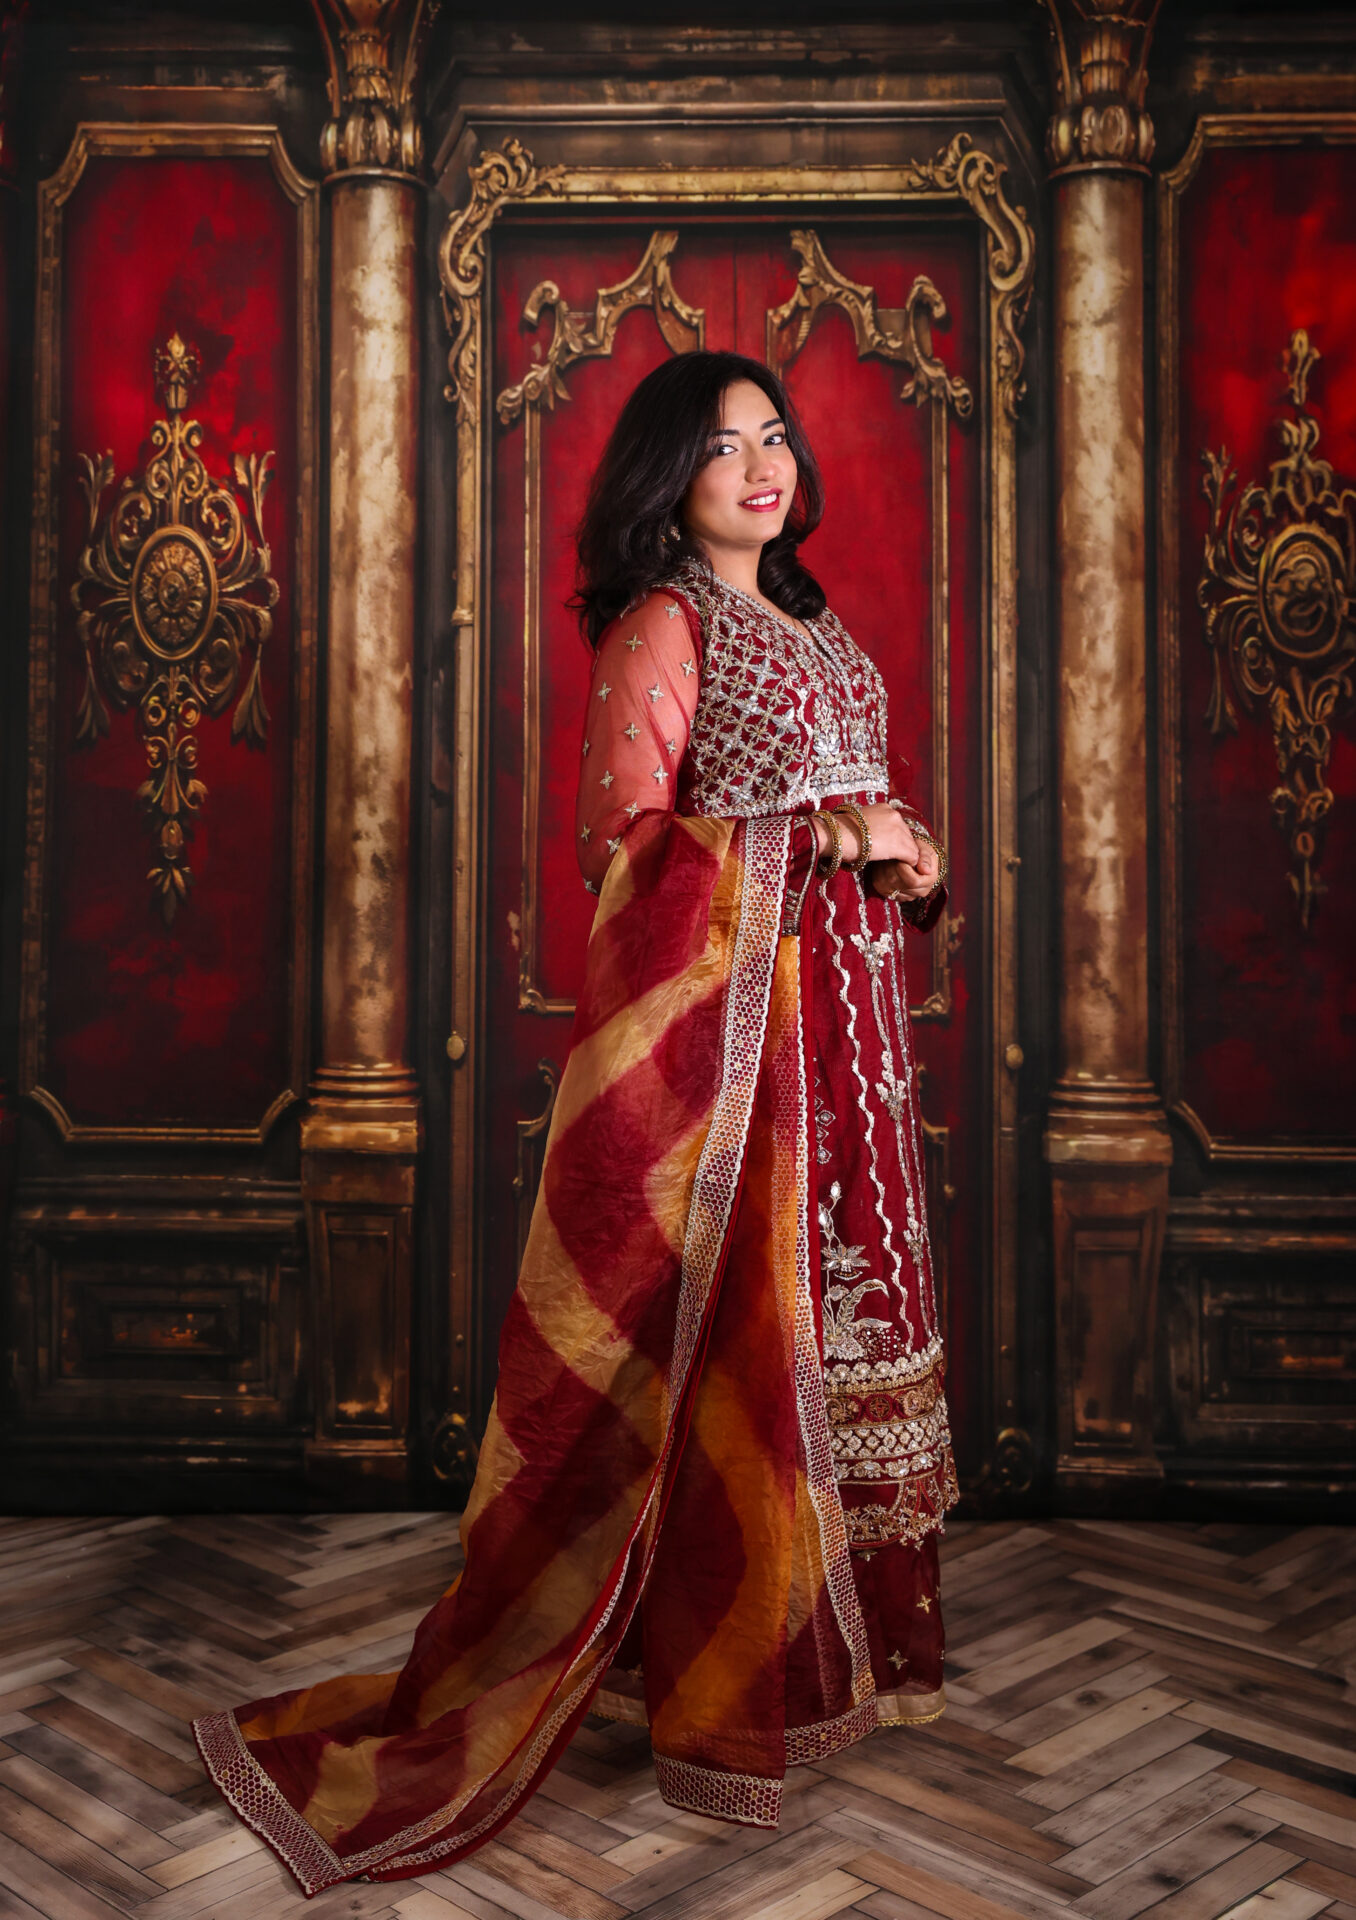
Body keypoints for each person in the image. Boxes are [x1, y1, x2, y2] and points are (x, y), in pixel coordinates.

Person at [193, 349, 957, 1898]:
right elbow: (625, 855)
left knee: (833, 1351)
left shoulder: (809, 620)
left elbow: (842, 816)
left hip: (846, 1044)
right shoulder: (663, 624)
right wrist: (829, 834)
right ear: (667, 474)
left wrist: (904, 861)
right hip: (736, 1073)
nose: (763, 466)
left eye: (775, 438)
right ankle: (723, 1704)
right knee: (743, 1355)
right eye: (725, 445)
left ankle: (827, 1667)